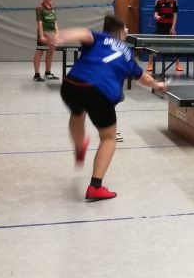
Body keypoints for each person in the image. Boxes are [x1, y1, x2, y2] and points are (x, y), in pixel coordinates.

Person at [48, 16, 167, 201]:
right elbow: (143, 78)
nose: (127, 31)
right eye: (125, 28)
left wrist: (61, 36)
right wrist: (157, 85)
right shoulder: (127, 53)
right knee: (109, 138)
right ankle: (95, 187)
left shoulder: (100, 38)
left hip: (71, 85)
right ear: (119, 31)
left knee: (77, 112)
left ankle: (79, 146)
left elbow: (83, 32)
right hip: (99, 93)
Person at [148, 0, 181, 74]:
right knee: (154, 45)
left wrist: (173, 27)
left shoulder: (174, 1)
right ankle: (150, 64)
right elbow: (155, 14)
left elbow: (175, 15)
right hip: (160, 26)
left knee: (174, 45)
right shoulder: (158, 1)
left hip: (170, 26)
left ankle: (177, 65)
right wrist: (157, 16)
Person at [33, 0, 60, 82]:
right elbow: (39, 23)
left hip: (52, 34)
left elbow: (55, 21)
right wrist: (41, 36)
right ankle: (36, 75)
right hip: (44, 33)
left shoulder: (52, 8)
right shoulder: (39, 8)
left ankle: (48, 73)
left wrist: (57, 33)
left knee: (50, 52)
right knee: (39, 52)